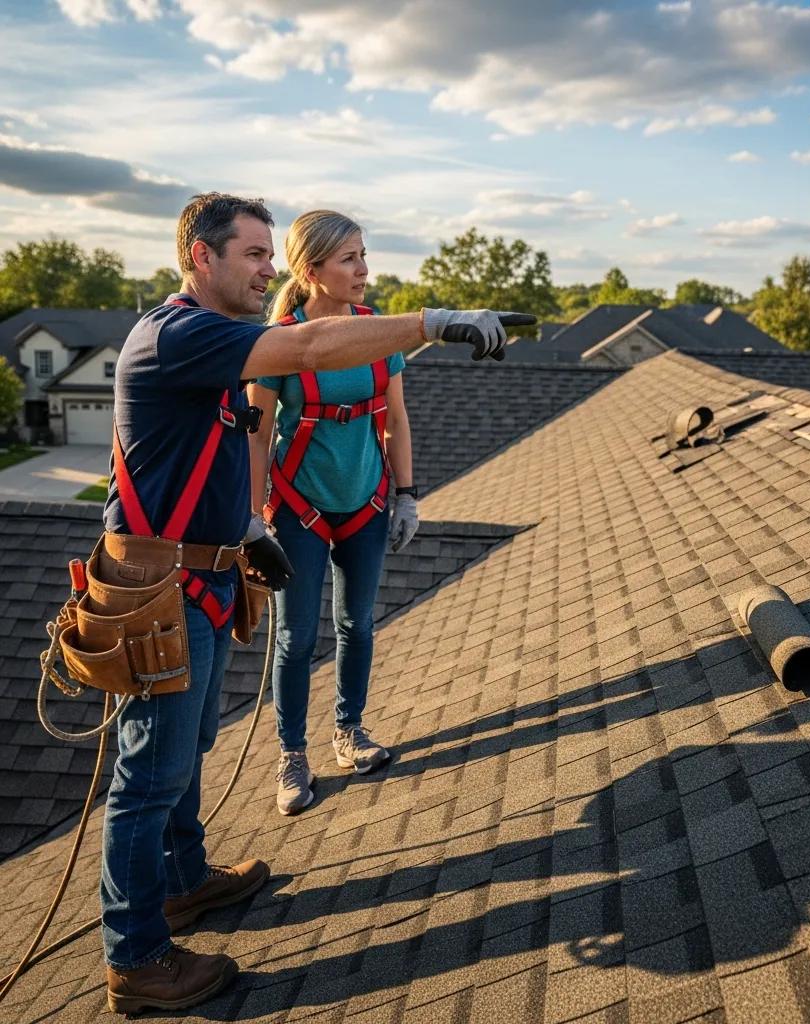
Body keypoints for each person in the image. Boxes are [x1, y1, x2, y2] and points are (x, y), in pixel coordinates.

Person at [99, 191, 529, 1015]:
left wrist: (244, 526)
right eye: (254, 254)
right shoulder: (177, 334)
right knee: (148, 777)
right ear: (202, 257)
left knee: (184, 755)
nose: (270, 270)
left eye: (271, 254)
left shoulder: (211, 340)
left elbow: (229, 440)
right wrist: (434, 322)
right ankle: (137, 958)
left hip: (201, 577)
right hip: (162, 589)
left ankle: (183, 882)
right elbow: (310, 344)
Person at [247, 210, 416, 815]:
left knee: (358, 625)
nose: (363, 269)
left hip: (366, 502)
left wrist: (406, 493)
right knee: (296, 638)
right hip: (300, 508)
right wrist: (253, 518)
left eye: (363, 255)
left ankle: (350, 730)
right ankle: (292, 754)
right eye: (349, 259)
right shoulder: (280, 344)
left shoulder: (378, 332)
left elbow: (395, 419)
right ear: (312, 270)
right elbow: (257, 436)